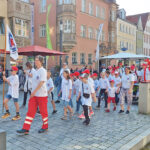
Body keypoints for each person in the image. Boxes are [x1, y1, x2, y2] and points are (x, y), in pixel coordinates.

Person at [17, 55, 48, 135]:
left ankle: (45, 126)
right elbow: (33, 78)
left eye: (37, 60)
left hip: (42, 95)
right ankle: (25, 128)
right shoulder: (35, 70)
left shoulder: (43, 71)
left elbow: (42, 82)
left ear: (41, 61)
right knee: (30, 112)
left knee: (43, 112)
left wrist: (34, 92)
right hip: (34, 95)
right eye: (35, 60)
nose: (35, 61)